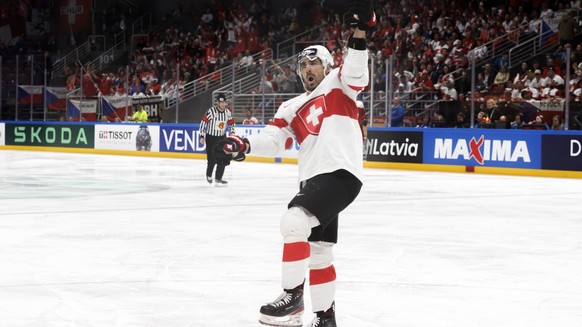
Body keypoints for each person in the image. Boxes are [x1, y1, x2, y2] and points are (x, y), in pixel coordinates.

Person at [213, 2, 376, 326]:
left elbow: (356, 69)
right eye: (302, 65)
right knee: (319, 252)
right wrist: (241, 143)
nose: (306, 69)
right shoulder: (290, 106)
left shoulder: (340, 84)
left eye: (313, 63)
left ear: (328, 66)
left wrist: (360, 30)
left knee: (293, 223)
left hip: (339, 172)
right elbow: (273, 139)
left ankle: (292, 298)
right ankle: (325, 317)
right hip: (314, 179)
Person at [199, 93, 236, 186]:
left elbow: (232, 123)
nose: (223, 104)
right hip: (211, 137)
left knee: (224, 157)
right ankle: (208, 174)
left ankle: (218, 178)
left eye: (225, 102)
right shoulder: (211, 112)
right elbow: (203, 122)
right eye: (221, 102)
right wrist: (202, 136)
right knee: (212, 158)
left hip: (222, 137)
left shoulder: (228, 112)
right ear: (218, 103)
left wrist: (232, 132)